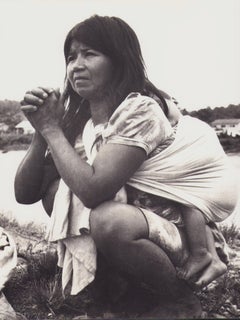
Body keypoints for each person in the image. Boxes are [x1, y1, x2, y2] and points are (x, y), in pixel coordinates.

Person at [14, 15, 237, 318]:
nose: (76, 65)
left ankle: (180, 299)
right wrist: (43, 133)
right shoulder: (80, 119)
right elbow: (26, 194)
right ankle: (120, 287)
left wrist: (54, 131)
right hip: (140, 230)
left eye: (90, 53)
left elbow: (93, 192)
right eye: (71, 56)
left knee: (109, 219)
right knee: (57, 193)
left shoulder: (140, 110)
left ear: (119, 60)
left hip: (180, 240)